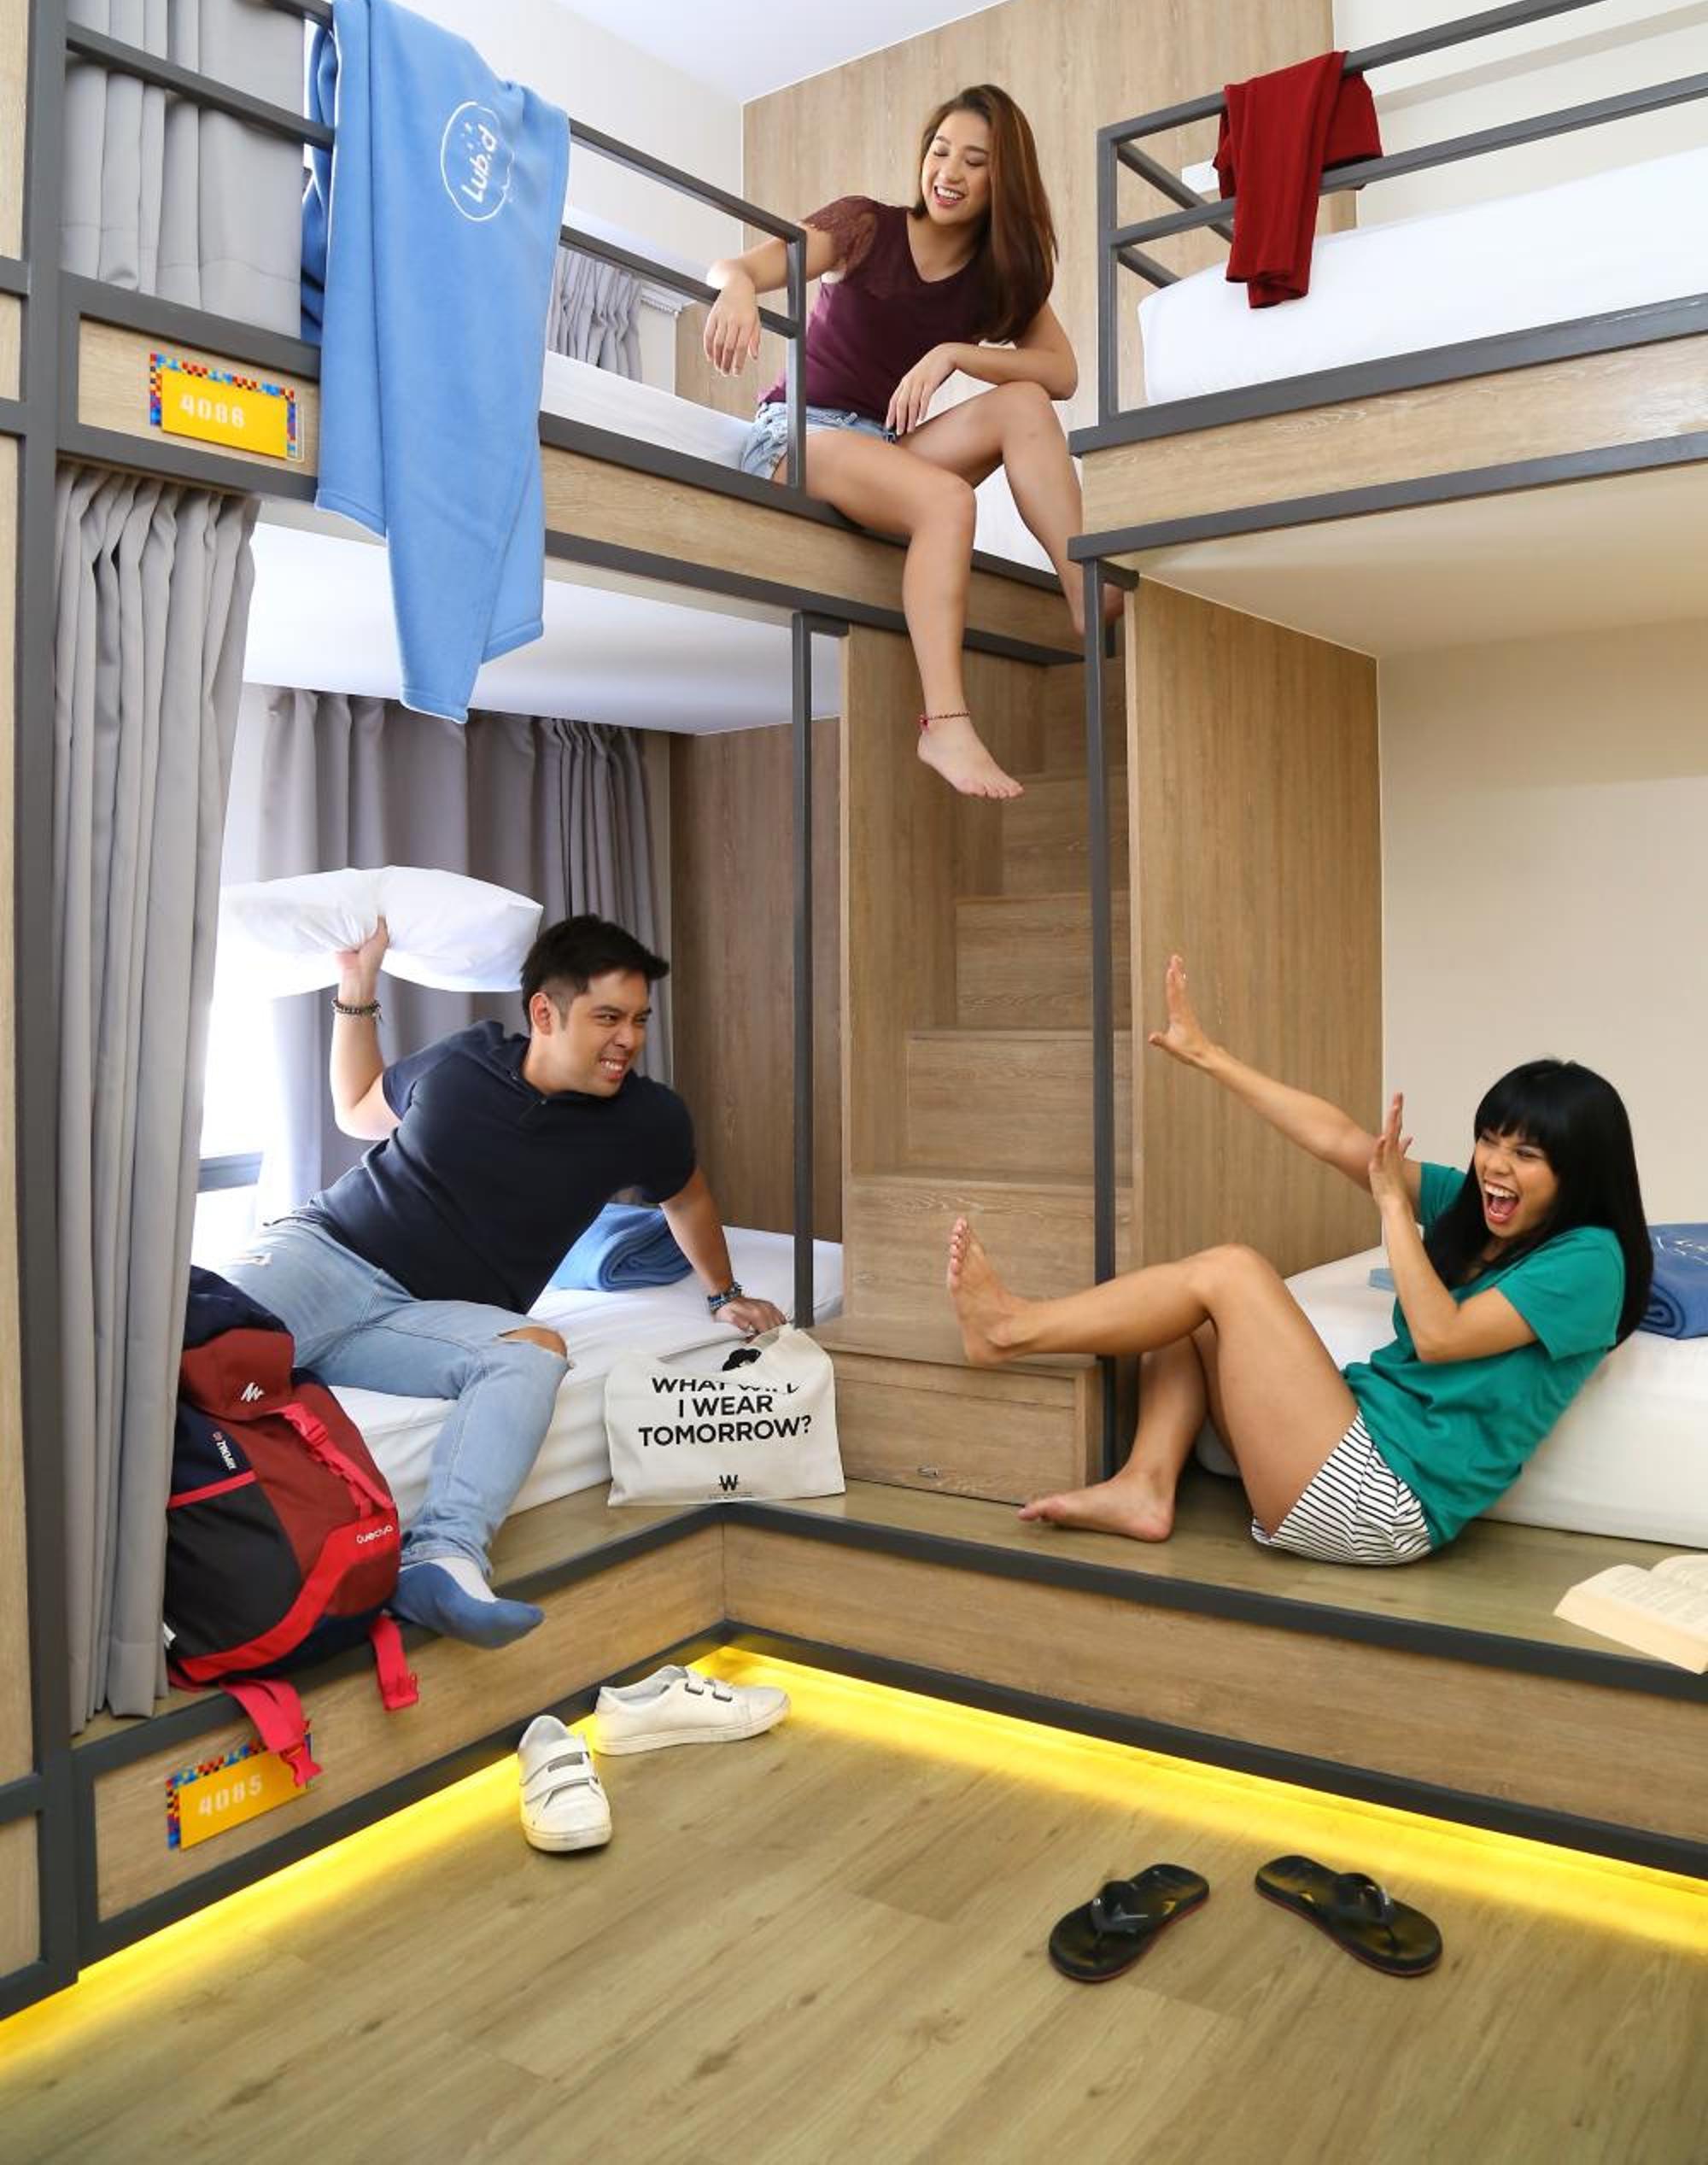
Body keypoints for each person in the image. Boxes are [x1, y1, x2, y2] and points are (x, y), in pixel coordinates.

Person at [946, 954, 1652, 1566]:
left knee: (1231, 1271)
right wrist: (1210, 1056)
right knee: (1188, 1309)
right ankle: (1144, 1486)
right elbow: (1338, 1140)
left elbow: (1440, 1336)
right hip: (1353, 1440)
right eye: (1490, 1140)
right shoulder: (1477, 1211)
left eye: (1526, 1154)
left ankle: (1009, 1330)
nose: (1495, 1165)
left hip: (1388, 1501)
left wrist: (1393, 1208)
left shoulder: (1592, 1260)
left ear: (1579, 1174)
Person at [221, 914, 782, 1647]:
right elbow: (357, 1108)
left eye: (640, 1020)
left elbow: (688, 1197)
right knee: (183, 1347)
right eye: (608, 1017)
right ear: (545, 1013)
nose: (629, 1039)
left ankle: (442, 1558)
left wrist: (724, 1294)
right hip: (324, 1256)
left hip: (422, 1321)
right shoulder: (465, 1061)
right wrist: (357, 987)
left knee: (532, 1352)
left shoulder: (647, 1119)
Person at [703, 83, 1103, 803]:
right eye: (940, 152)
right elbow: (737, 268)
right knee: (947, 501)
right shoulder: (865, 226)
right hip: (798, 434)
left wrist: (956, 353)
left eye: (974, 162)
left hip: (879, 449)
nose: (949, 173)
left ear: (1003, 180)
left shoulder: (993, 277)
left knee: (1024, 403)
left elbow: (1061, 373)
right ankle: (944, 723)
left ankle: (1084, 592)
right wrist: (735, 290)